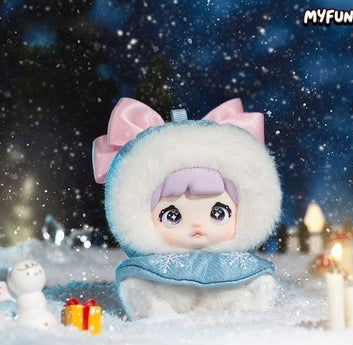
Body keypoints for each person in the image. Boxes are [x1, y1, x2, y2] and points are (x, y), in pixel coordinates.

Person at [92, 97, 281, 319]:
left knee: (248, 284)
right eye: (173, 216)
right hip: (163, 280)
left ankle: (243, 304)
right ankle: (155, 308)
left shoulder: (238, 264)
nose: (198, 226)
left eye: (218, 214)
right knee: (144, 283)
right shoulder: (152, 266)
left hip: (230, 287)